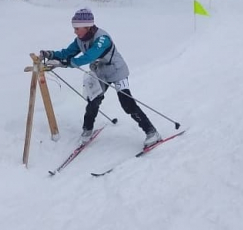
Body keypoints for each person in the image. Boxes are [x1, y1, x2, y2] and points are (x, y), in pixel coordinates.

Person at [40, 8, 161, 147]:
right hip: (101, 72)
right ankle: (87, 129)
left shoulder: (102, 39)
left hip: (117, 71)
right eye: (74, 28)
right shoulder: (80, 39)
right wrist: (50, 54)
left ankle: (152, 132)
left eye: (77, 28)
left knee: (127, 104)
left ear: (88, 26)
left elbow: (90, 56)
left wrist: (66, 63)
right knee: (93, 100)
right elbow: (68, 53)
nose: (75, 31)